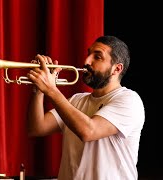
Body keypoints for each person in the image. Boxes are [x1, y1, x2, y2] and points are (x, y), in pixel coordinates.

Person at [26, 35, 145, 180]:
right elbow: (36, 128)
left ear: (116, 69)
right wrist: (39, 91)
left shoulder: (129, 100)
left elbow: (88, 131)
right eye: (89, 54)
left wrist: (50, 89)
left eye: (97, 57)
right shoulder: (76, 100)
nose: (86, 61)